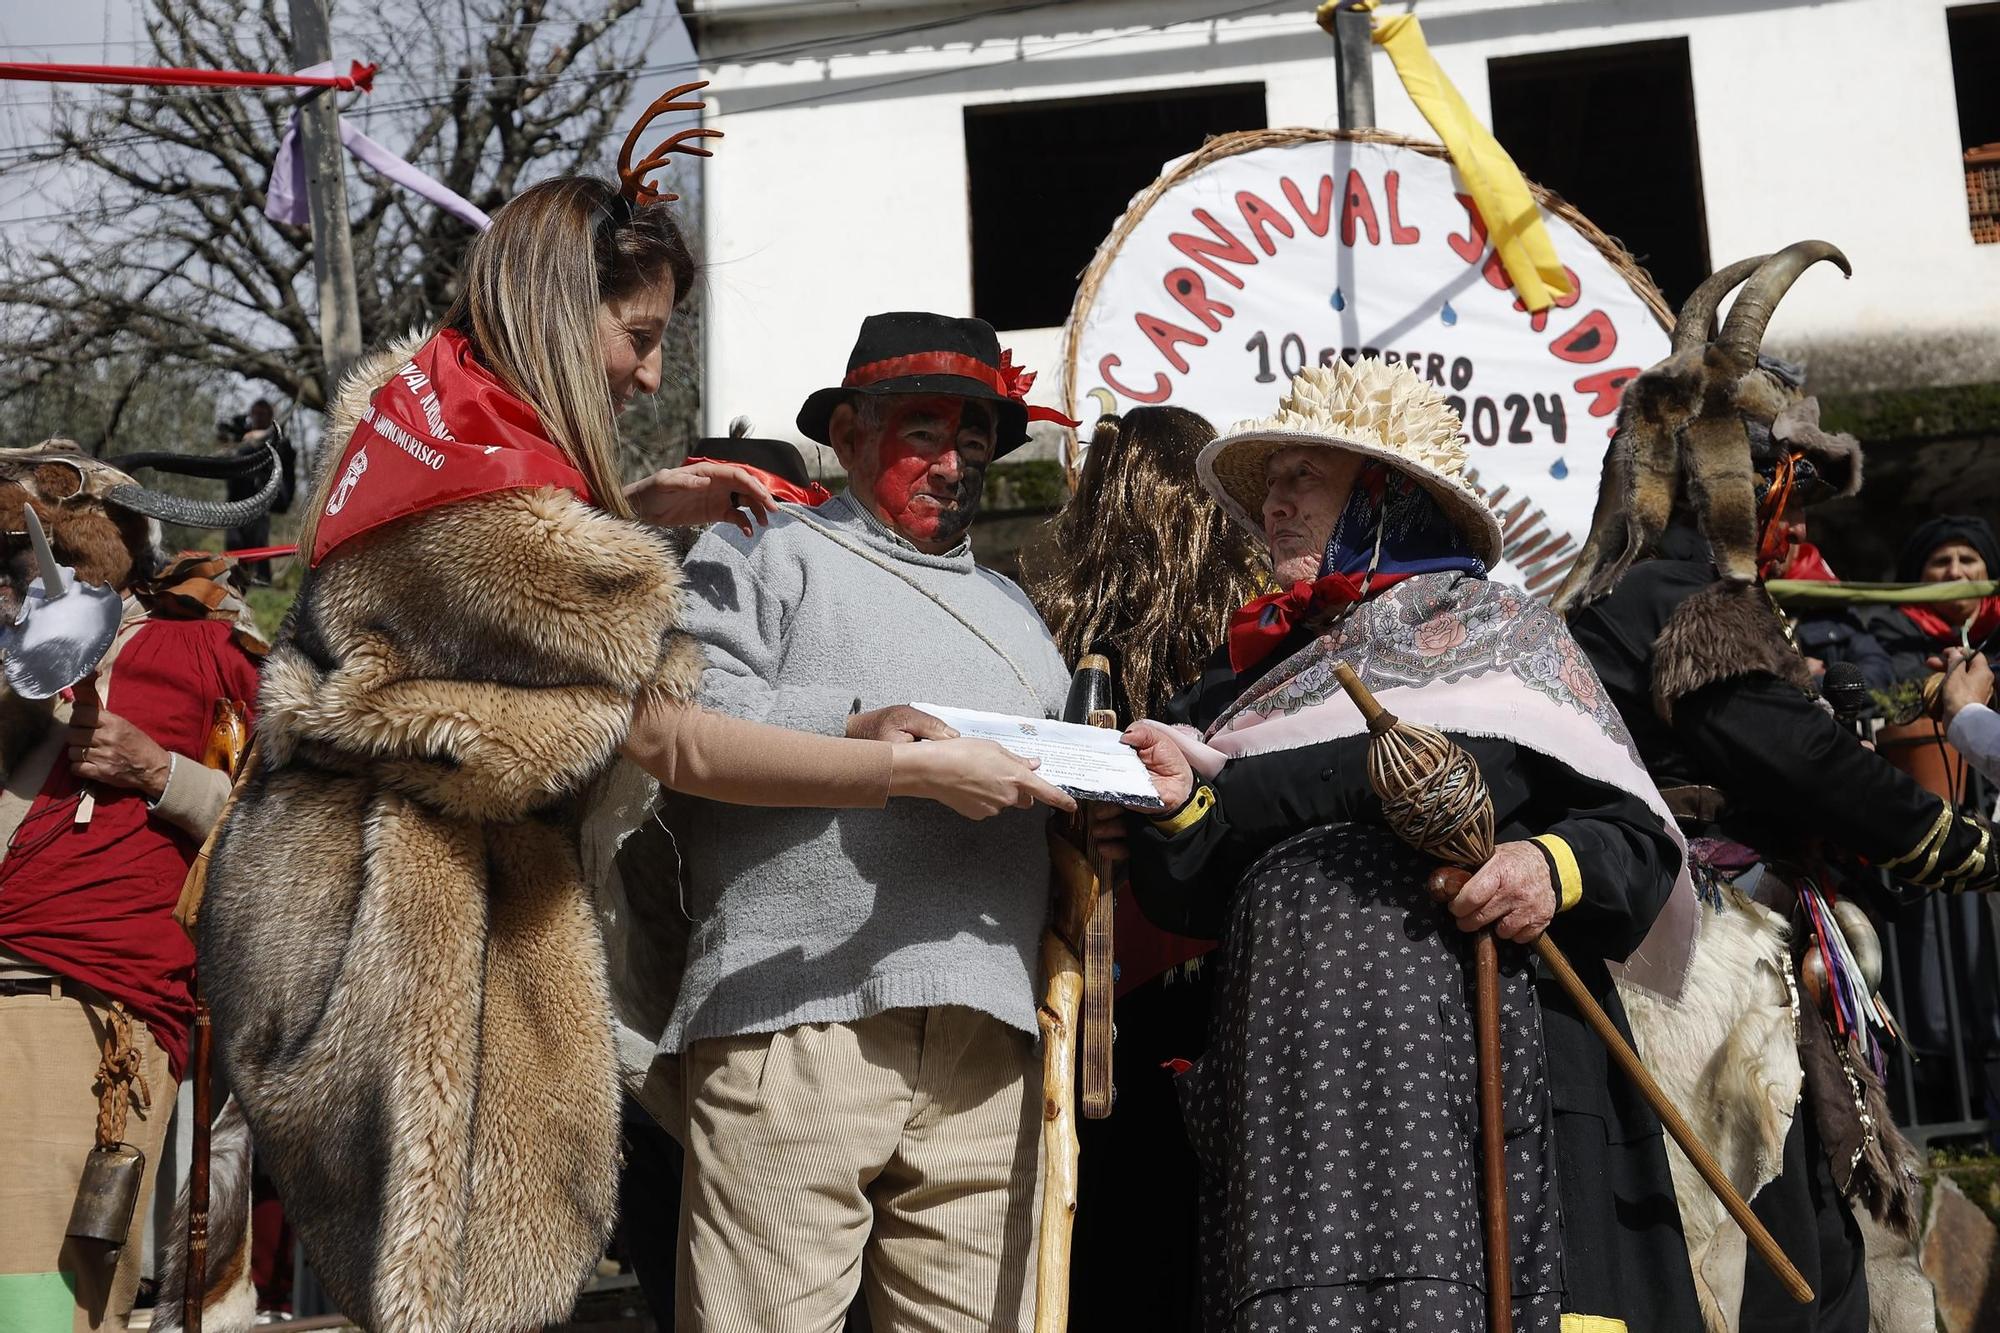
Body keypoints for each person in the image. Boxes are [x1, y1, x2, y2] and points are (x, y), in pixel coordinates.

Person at [194, 139, 1070, 1333]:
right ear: (558, 316)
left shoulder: (418, 426)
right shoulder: (535, 536)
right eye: (639, 336)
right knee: (460, 1291)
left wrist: (634, 511)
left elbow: (499, 574)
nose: (652, 378)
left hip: (352, 904)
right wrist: (902, 764)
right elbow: (677, 735)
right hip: (414, 933)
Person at [1098, 358, 1697, 1332]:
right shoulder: (1238, 686)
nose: (1275, 504)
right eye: (1271, 481)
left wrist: (1547, 864)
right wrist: (1176, 808)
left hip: (1487, 1073)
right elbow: (1188, 890)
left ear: (1382, 497)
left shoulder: (1501, 635)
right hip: (1290, 1088)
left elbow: (1621, 833)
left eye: (1304, 479)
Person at [1559, 242, 2000, 1333]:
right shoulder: (1683, 601)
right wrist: (1949, 839)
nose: (1783, 497)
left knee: (1800, 1223)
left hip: (1693, 951)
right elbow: (1788, 755)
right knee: (1766, 1247)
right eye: (1782, 472)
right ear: (1736, 472)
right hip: (1691, 966)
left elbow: (1785, 736)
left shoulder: (1629, 591)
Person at [668, 311, 1076, 1333]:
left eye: (974, 437)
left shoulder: (1020, 615)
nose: (952, 461)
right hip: (792, 1015)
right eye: (923, 431)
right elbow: (677, 732)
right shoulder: (759, 550)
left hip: (991, 1040)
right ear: (847, 436)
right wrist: (868, 736)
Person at [0, 441, 277, 1333]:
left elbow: (292, 834)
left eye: (45, 558)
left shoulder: (210, 653)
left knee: (36, 1300)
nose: (23, 580)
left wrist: (161, 772)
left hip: (76, 1008)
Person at [1029, 405, 1264, 1333]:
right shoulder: (1258, 641)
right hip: (1220, 980)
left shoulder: (1047, 636)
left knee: (1115, 1257)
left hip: (1098, 996)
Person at [1860, 515, 2000, 690]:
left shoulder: (1997, 620)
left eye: (1967, 560)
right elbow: (1899, 683)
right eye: (1941, 562)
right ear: (1921, 576)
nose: (1955, 572)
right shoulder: (1893, 627)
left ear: (1989, 572)